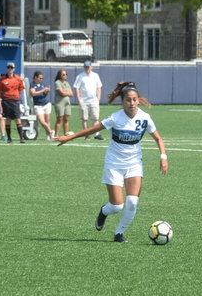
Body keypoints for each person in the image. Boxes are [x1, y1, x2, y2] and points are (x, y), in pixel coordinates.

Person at [56, 81, 168, 243]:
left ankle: (119, 233)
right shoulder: (115, 118)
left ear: (138, 100)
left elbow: (158, 138)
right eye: (128, 100)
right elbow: (93, 129)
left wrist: (163, 157)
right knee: (116, 206)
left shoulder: (145, 118)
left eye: (134, 99)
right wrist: (70, 137)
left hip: (134, 164)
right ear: (122, 101)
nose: (132, 103)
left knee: (132, 202)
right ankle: (104, 212)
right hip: (114, 164)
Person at [0, 62, 26, 143]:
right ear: (6, 68)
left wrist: (16, 96)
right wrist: (4, 97)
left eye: (11, 67)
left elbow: (21, 89)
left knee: (17, 119)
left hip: (15, 101)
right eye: (8, 67)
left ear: (14, 69)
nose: (10, 69)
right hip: (6, 101)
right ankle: (9, 138)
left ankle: (21, 138)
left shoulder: (18, 78)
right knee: (8, 119)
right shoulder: (2, 79)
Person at [73, 60, 104, 140]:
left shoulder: (95, 75)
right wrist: (79, 99)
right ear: (84, 67)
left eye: (88, 67)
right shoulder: (80, 76)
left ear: (91, 67)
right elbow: (77, 88)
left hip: (94, 100)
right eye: (86, 67)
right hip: (83, 101)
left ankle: (97, 134)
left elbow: (99, 87)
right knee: (84, 118)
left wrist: (98, 98)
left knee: (95, 118)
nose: (87, 68)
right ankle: (86, 134)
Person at [29, 71, 53, 140]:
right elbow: (33, 93)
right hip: (38, 105)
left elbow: (45, 93)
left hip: (46, 104)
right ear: (35, 77)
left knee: (47, 120)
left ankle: (48, 135)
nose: (41, 79)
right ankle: (50, 131)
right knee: (42, 121)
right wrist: (43, 90)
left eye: (42, 78)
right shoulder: (32, 84)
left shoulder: (43, 84)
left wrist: (47, 91)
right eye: (40, 78)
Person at [53, 69, 73, 137]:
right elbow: (61, 93)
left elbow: (71, 94)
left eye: (66, 74)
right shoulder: (57, 82)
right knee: (59, 119)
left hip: (67, 103)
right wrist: (67, 93)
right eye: (63, 74)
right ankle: (56, 135)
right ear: (60, 75)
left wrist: (65, 92)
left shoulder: (67, 83)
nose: (65, 76)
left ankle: (66, 134)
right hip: (60, 103)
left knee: (66, 119)